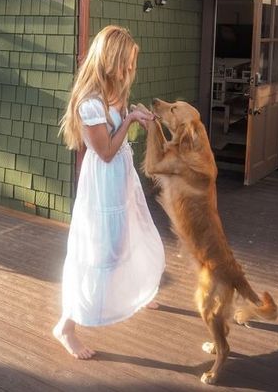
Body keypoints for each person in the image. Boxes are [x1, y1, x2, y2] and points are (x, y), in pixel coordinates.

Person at [53, 25, 165, 359]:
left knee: (132, 234)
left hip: (120, 177)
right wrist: (130, 119)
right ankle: (66, 326)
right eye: (127, 62)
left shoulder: (111, 92)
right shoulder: (89, 103)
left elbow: (117, 132)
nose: (130, 69)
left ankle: (140, 291)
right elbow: (104, 152)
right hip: (103, 181)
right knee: (101, 252)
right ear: (111, 59)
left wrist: (136, 113)